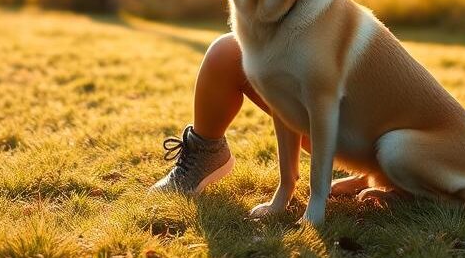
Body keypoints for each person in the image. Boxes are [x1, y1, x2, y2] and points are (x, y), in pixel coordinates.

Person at [153, 33, 368, 195]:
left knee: (231, 53)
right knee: (228, 52)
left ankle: (389, 177)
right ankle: (205, 150)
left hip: (378, 140)